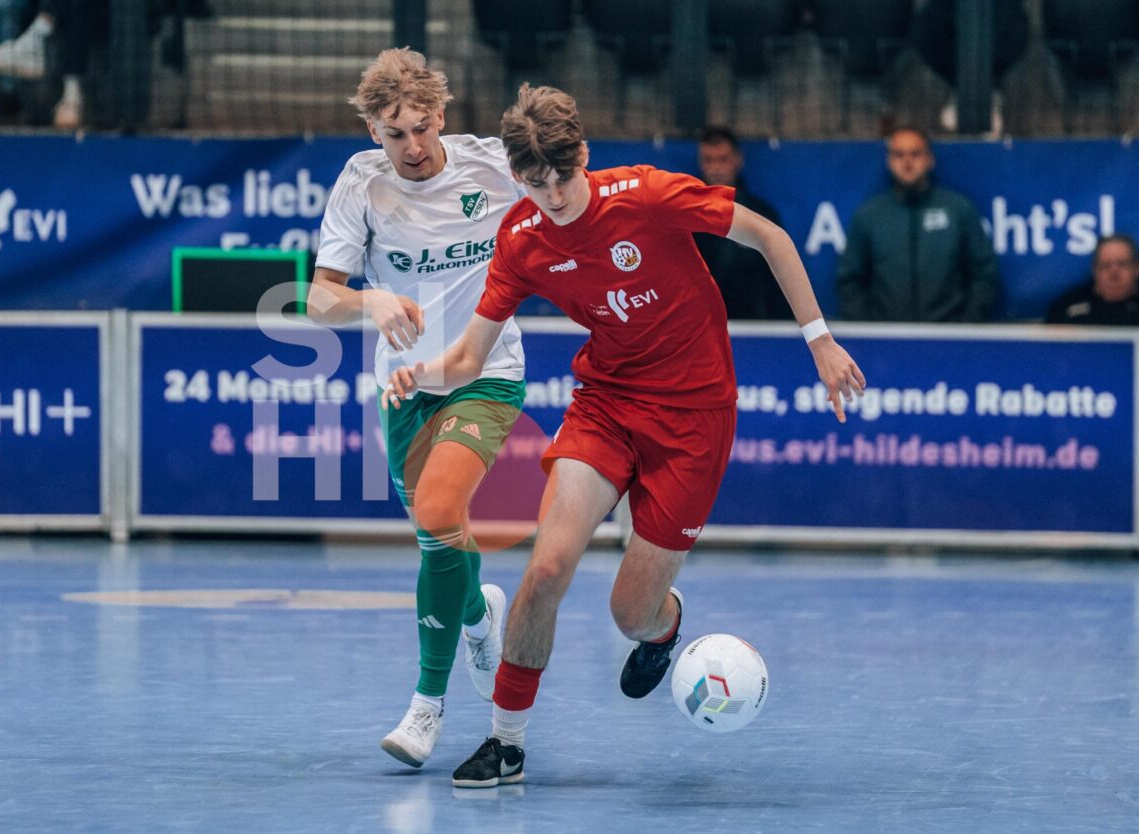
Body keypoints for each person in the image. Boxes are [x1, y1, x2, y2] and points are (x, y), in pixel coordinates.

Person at [384, 84, 864, 787]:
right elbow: (467, 359)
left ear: (583, 154)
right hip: (606, 404)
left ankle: (662, 629)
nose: (553, 196)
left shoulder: (648, 195)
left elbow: (770, 236)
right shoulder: (521, 239)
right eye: (536, 183)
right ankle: (506, 743)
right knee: (545, 570)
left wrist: (819, 340)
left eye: (562, 177)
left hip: (695, 418)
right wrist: (419, 373)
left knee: (629, 614)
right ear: (517, 175)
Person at [306, 48, 526, 771]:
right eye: (395, 133)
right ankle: (479, 616)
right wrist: (370, 300)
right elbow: (319, 299)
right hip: (404, 387)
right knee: (441, 531)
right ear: (373, 131)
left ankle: (426, 706)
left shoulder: (492, 165)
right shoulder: (362, 183)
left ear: (442, 115)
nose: (413, 147)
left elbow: (570, 197)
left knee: (437, 517)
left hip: (486, 374)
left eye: (423, 127)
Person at [837, 127, 1000, 322]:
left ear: (929, 159)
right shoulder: (869, 215)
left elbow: (984, 273)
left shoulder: (958, 210)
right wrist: (868, 329)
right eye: (899, 155)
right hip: (885, 334)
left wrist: (967, 325)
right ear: (889, 161)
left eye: (915, 154)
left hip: (949, 333)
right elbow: (850, 279)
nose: (907, 162)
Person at [693, 126, 790, 320]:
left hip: (754, 324)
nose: (715, 168)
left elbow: (779, 279)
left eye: (723, 159)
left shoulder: (761, 214)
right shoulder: (687, 217)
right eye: (708, 160)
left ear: (737, 160)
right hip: (702, 322)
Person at [1045, 234, 1139, 326]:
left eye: (1123, 264)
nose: (1114, 273)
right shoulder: (1067, 309)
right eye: (1105, 265)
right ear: (1094, 270)